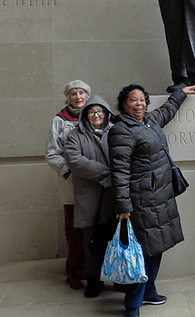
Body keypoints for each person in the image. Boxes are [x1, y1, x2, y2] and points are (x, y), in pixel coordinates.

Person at [108, 82, 195, 317]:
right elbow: (119, 172)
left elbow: (168, 110)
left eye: (142, 100)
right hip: (142, 199)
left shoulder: (148, 120)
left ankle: (148, 291)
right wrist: (123, 205)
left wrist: (180, 93)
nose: (139, 104)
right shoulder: (121, 130)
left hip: (160, 196)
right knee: (143, 251)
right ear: (124, 104)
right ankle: (132, 304)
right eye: (133, 100)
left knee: (157, 246)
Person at [64, 95, 116, 298]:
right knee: (92, 241)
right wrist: (106, 173)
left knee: (114, 238)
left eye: (100, 111)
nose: (96, 115)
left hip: (113, 196)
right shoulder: (74, 135)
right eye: (92, 112)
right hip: (88, 196)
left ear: (106, 113)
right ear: (85, 115)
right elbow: (75, 161)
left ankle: (119, 279)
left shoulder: (115, 131)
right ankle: (94, 282)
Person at [45, 80, 91, 290]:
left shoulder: (94, 116)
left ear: (87, 96)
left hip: (91, 182)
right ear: (68, 97)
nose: (78, 97)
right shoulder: (59, 120)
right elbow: (52, 153)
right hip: (71, 182)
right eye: (74, 93)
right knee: (74, 228)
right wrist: (69, 171)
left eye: (81, 93)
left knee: (90, 228)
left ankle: (86, 267)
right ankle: (72, 270)